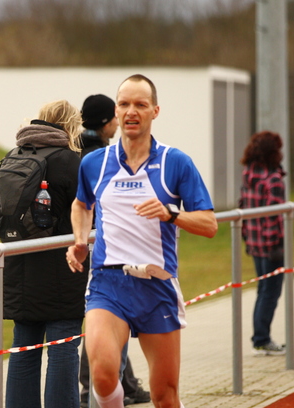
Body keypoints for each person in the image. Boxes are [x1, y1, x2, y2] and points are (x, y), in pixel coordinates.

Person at [66, 74, 218, 408]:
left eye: (140, 104)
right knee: (102, 375)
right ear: (116, 112)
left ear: (155, 111)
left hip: (156, 285)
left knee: (164, 396)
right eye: (124, 104)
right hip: (108, 282)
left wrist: (171, 214)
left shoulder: (175, 162)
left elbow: (209, 224)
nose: (131, 111)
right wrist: (79, 240)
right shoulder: (94, 163)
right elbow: (81, 204)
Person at [2, 100, 89, 408]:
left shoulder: (14, 155)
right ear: (71, 125)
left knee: (23, 347)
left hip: (18, 263)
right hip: (62, 267)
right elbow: (88, 209)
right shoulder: (70, 161)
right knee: (63, 345)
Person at [78, 93, 150, 407]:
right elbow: (82, 204)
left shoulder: (77, 150)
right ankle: (95, 388)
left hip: (89, 247)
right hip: (100, 251)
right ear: (108, 122)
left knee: (105, 325)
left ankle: (122, 384)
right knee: (105, 323)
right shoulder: (99, 158)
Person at [239, 130, 287, 356]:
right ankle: (261, 339)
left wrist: (247, 237)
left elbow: (243, 206)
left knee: (263, 290)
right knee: (270, 291)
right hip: (270, 245)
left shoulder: (248, 175)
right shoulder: (273, 179)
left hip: (254, 242)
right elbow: (273, 216)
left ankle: (260, 338)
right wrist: (275, 245)